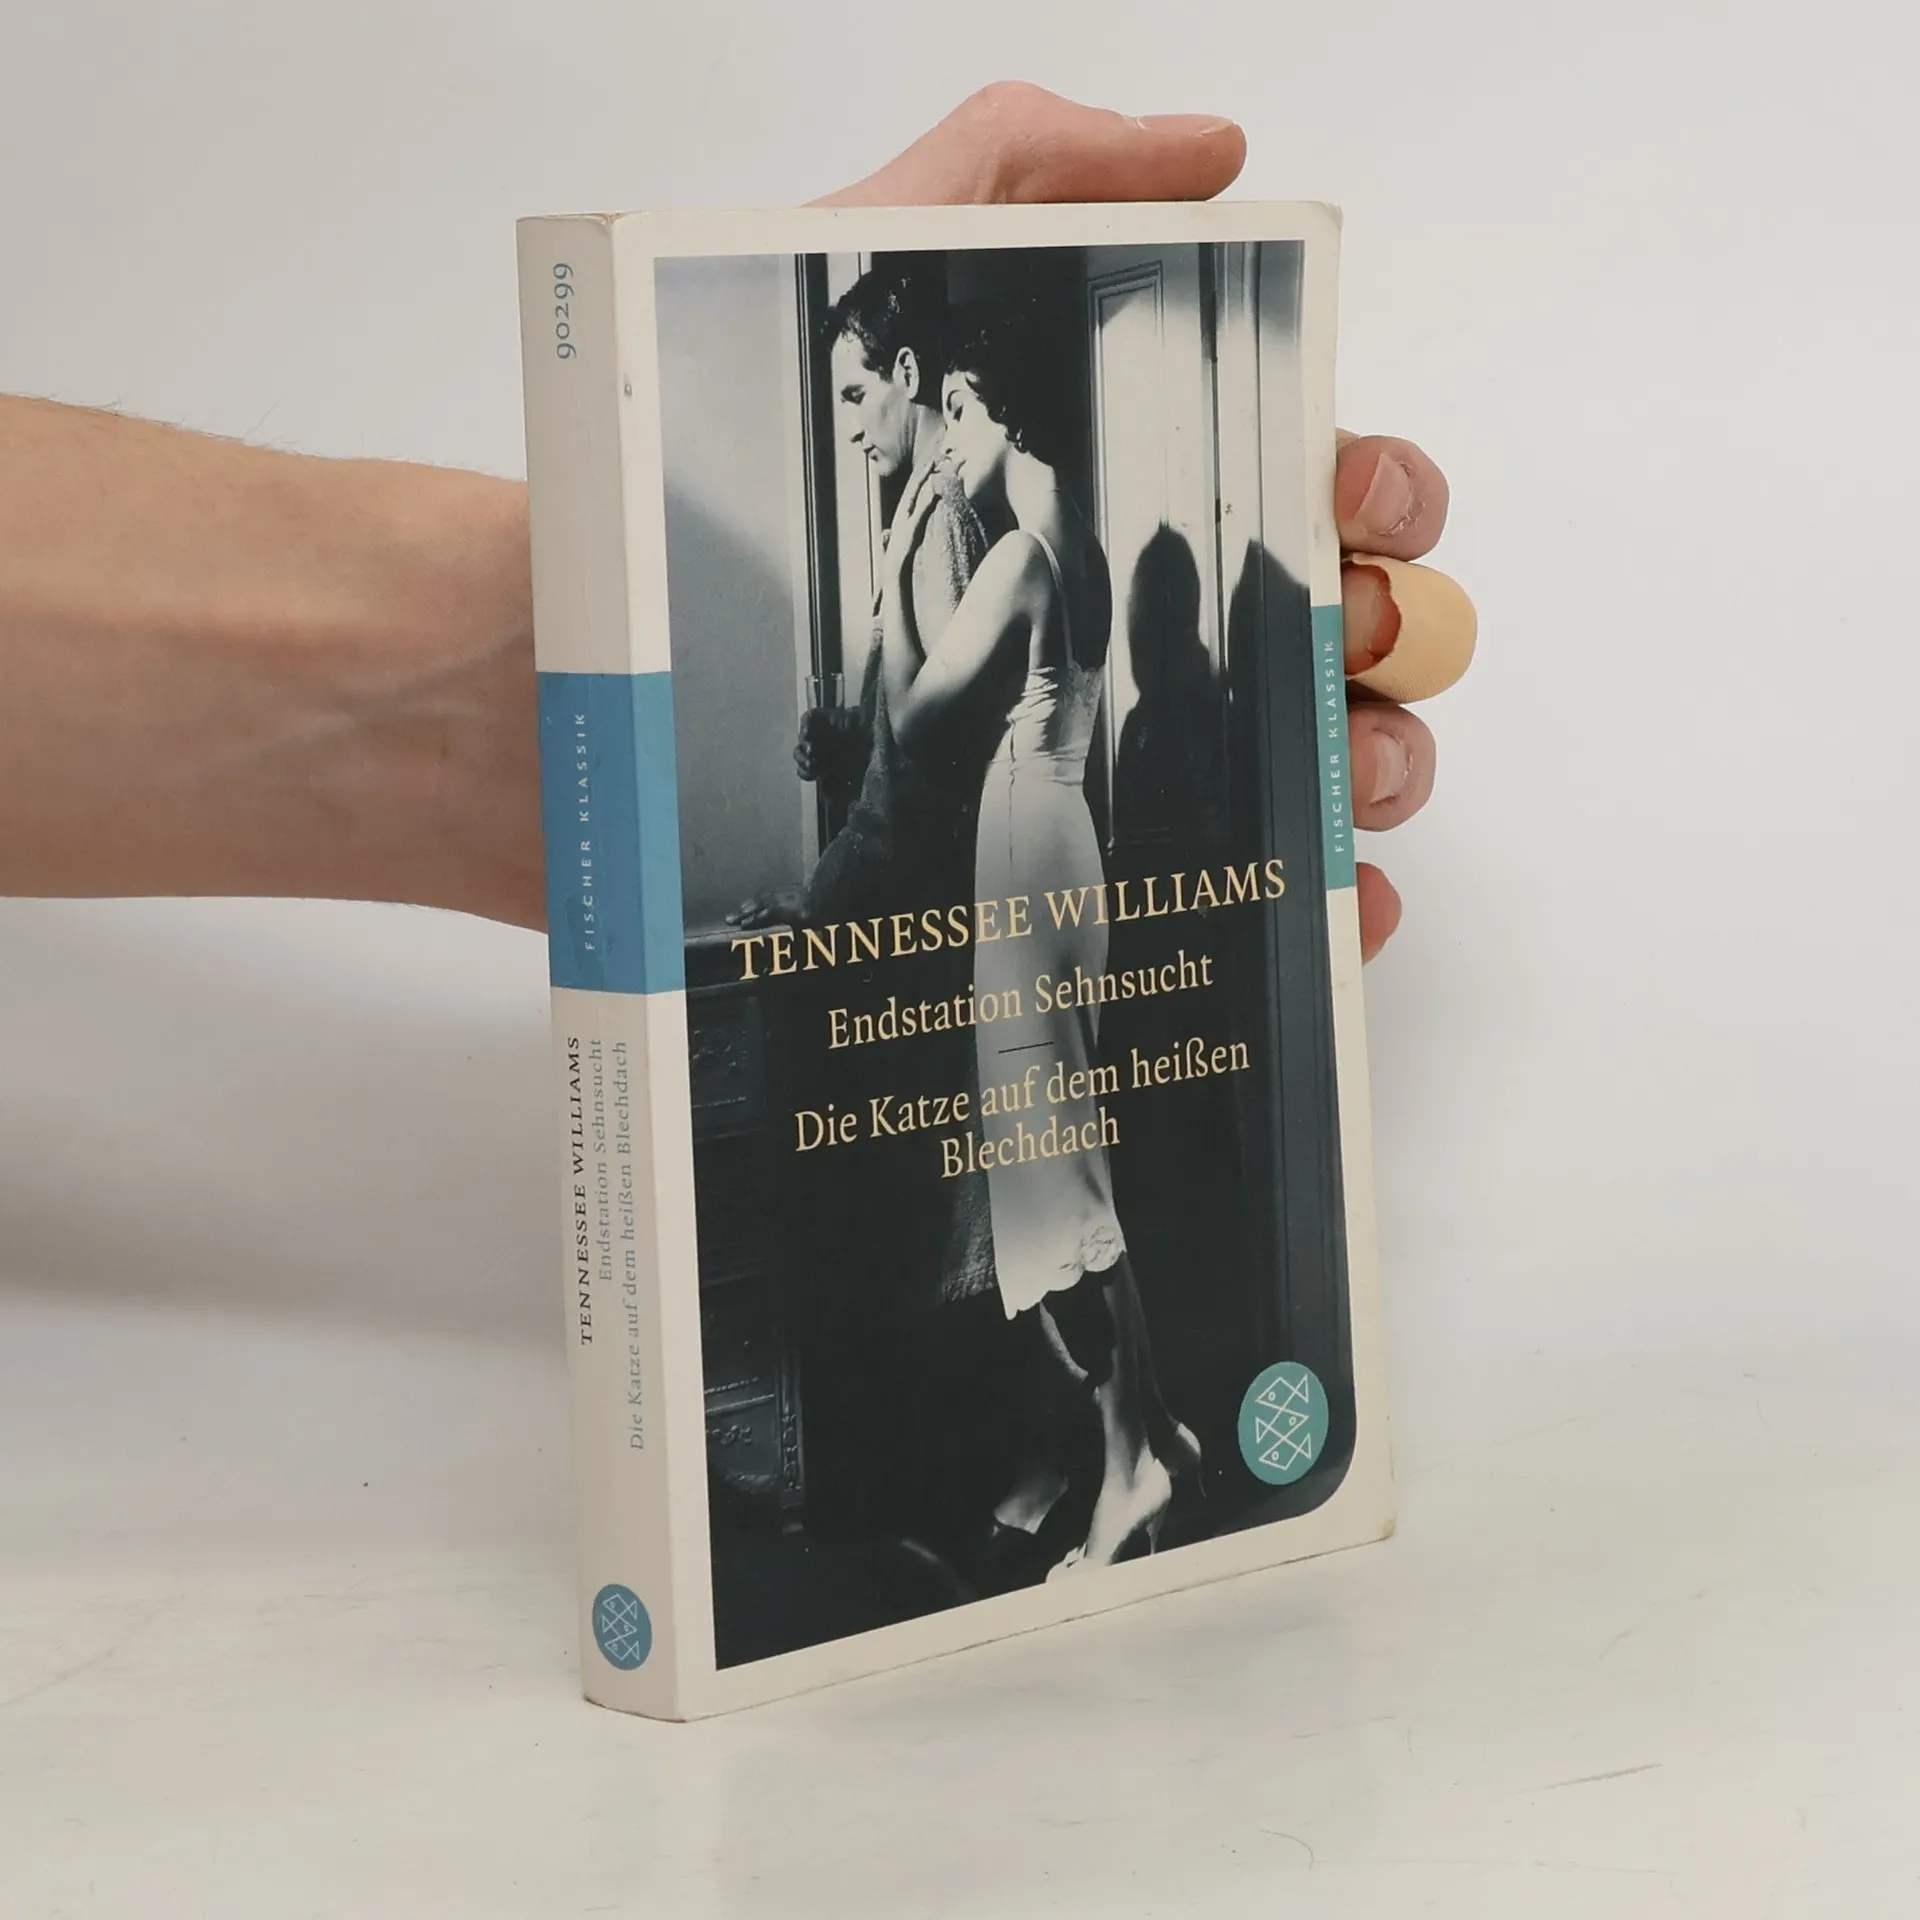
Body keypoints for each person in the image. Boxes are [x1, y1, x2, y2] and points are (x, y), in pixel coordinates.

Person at [0, 85, 1451, 967]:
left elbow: (928, 742)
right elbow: (909, 733)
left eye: (856, 394)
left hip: (952, 894)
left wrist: (830, 895)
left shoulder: (990, 536)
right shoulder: (953, 526)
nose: (850, 427)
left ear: (927, 384)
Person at [878, 296, 1199, 1573]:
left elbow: (912, 723)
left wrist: (893, 583)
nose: (948, 441)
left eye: (958, 412)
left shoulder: (1015, 556)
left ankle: (1126, 1475)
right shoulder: (1086, 544)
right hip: (1066, 847)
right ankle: (1155, 1435)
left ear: (996, 408)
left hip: (1026, 858)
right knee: (1075, 1168)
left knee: (1054, 1183)